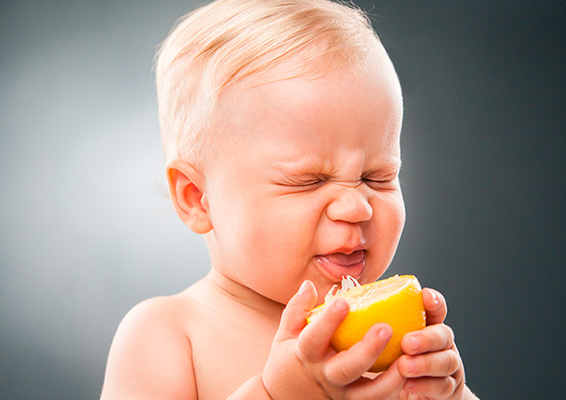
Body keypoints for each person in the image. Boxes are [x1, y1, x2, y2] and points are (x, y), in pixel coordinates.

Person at [101, 0, 479, 398]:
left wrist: (451, 393)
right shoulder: (168, 335)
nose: (357, 206)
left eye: (377, 176)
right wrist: (273, 394)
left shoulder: (388, 335)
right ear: (197, 197)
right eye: (309, 181)